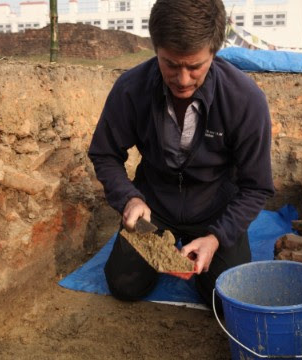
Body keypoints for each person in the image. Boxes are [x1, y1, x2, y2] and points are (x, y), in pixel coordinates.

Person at [88, 0, 274, 311]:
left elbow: (257, 187)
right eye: (171, 64)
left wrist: (218, 237)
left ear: (213, 52)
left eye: (195, 66)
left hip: (215, 211)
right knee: (124, 284)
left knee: (228, 302)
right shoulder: (131, 89)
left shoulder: (244, 99)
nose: (183, 79)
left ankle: (209, 251)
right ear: (156, 48)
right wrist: (129, 199)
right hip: (153, 209)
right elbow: (105, 154)